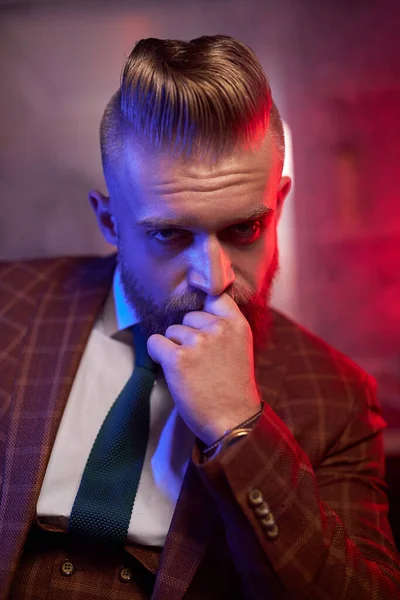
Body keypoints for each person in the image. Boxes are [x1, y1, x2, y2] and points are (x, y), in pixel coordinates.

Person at [0, 35, 399, 600]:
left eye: (244, 229)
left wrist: (241, 428)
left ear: (278, 204)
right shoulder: (8, 305)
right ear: (110, 221)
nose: (212, 279)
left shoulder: (336, 397)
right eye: (169, 234)